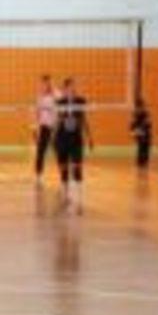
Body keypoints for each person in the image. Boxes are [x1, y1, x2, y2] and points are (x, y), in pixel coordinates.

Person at [55, 78, 94, 213]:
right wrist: (53, 139)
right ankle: (65, 192)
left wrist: (89, 137)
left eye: (74, 86)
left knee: (77, 166)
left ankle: (79, 195)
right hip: (62, 138)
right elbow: (57, 121)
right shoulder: (59, 102)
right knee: (63, 167)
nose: (72, 89)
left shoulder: (81, 101)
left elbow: (84, 119)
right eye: (70, 87)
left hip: (76, 138)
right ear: (65, 89)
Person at [33, 74, 58, 186]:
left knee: (59, 151)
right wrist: (35, 126)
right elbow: (37, 112)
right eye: (43, 83)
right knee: (40, 151)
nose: (45, 85)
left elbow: (61, 108)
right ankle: (38, 175)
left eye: (47, 83)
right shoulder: (40, 97)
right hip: (44, 127)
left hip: (55, 127)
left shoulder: (56, 94)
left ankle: (65, 175)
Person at [130, 97, 152, 169]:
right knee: (142, 147)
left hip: (144, 132)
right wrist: (134, 130)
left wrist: (135, 130)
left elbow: (148, 123)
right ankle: (141, 162)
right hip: (141, 132)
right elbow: (133, 123)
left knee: (144, 147)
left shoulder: (144, 113)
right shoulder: (136, 113)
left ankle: (143, 162)